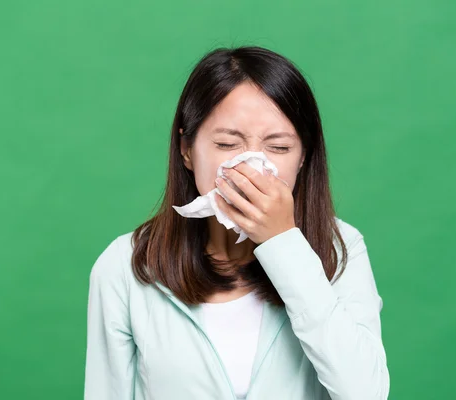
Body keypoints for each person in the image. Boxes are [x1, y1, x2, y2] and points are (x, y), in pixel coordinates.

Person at [84, 45, 390, 400]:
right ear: (186, 149)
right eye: (228, 143)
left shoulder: (341, 247)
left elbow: (365, 393)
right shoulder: (125, 265)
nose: (250, 167)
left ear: (304, 156)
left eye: (278, 148)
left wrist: (283, 243)